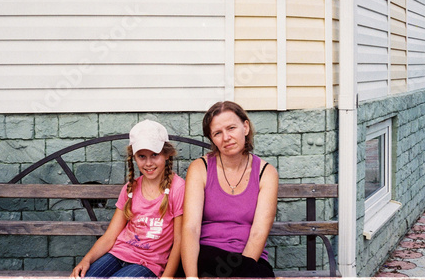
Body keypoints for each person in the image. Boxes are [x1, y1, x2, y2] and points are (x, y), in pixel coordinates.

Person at [70, 120, 184, 278]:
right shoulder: (131, 188)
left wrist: (167, 277)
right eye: (142, 156)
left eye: (155, 155)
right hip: (117, 255)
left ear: (166, 154)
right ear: (134, 157)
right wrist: (86, 260)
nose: (149, 163)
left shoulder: (177, 189)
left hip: (147, 264)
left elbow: (180, 240)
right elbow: (110, 236)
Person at [181, 101, 279, 278]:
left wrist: (239, 275)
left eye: (231, 128)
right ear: (212, 139)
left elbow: (258, 234)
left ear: (246, 127)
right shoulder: (200, 168)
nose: (226, 137)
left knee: (261, 274)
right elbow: (190, 228)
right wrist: (191, 277)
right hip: (205, 256)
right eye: (218, 133)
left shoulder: (266, 173)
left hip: (248, 260)